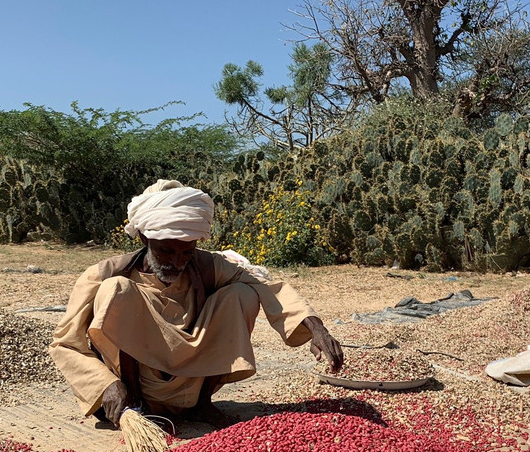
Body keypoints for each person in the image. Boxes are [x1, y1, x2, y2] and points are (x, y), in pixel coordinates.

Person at [49, 179, 344, 428]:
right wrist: (105, 385)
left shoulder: (206, 267)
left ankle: (202, 404)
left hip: (190, 383)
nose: (177, 262)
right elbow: (65, 343)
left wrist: (315, 327)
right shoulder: (103, 275)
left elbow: (265, 286)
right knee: (117, 290)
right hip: (129, 390)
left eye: (186, 252)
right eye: (166, 250)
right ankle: (136, 405)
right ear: (143, 236)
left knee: (242, 293)